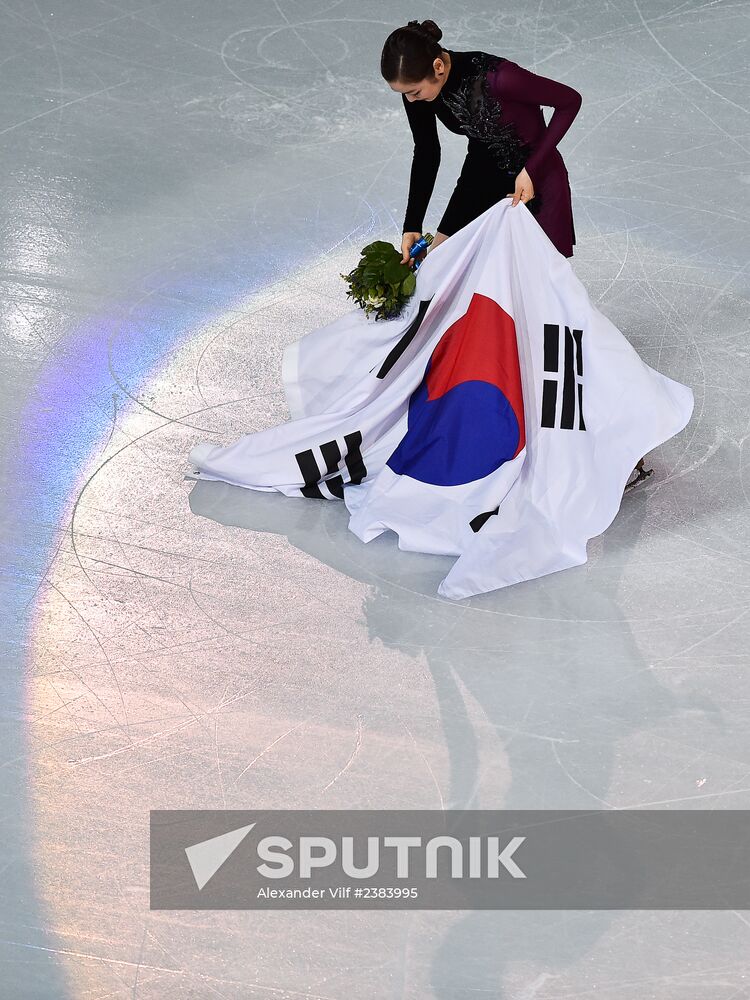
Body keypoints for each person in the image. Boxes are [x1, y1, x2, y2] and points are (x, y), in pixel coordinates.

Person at [382, 19, 651, 490]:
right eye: (402, 94)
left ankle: (615, 435)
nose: (410, 101)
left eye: (414, 91)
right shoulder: (424, 89)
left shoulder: (498, 78)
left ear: (439, 66)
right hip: (487, 187)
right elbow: (428, 152)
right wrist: (417, 225)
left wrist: (531, 167)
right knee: (478, 289)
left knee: (550, 311)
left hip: (537, 186)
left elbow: (569, 101)